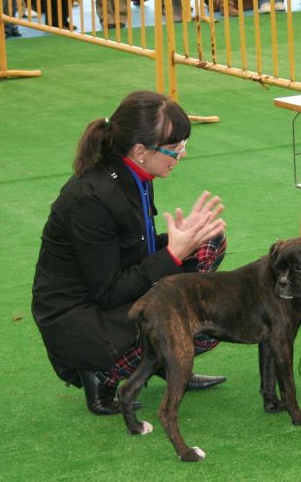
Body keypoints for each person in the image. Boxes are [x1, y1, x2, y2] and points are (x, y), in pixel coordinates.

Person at [32, 90, 228, 416]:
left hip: (114, 287)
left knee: (210, 240)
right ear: (140, 151)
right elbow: (108, 291)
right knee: (203, 323)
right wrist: (172, 254)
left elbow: (135, 248)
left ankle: (168, 362)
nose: (181, 155)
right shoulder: (90, 198)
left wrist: (182, 240)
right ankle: (101, 373)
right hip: (78, 314)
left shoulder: (135, 173)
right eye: (175, 148)